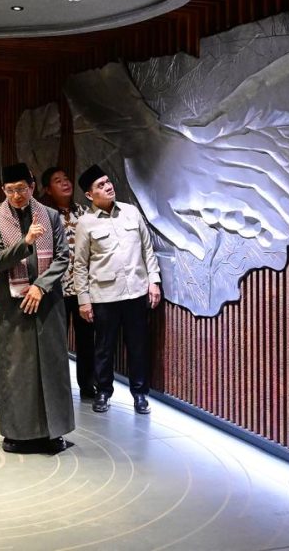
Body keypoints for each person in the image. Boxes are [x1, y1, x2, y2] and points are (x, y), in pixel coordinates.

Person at [0, 163, 74, 453]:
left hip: (48, 302)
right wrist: (25, 243)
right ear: (3, 191)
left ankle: (54, 432)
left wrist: (40, 286)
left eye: (21, 189)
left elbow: (62, 257)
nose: (16, 195)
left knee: (52, 366)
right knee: (16, 369)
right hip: (13, 305)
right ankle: (17, 434)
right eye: (10, 190)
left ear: (32, 186)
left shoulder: (49, 216)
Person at [73, 165, 162, 415]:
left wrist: (153, 281)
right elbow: (80, 264)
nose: (108, 187)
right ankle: (103, 391)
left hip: (135, 291)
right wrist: (84, 300)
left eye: (107, 182)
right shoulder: (85, 223)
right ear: (90, 195)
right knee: (104, 347)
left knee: (138, 345)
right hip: (104, 296)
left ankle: (140, 394)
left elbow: (147, 249)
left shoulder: (131, 213)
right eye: (100, 185)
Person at [39, 166, 95, 399]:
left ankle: (86, 385)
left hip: (82, 289)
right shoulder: (44, 215)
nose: (65, 183)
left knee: (86, 341)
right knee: (56, 341)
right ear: (47, 189)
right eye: (57, 180)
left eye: (66, 178)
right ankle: (57, 388)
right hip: (56, 289)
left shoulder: (84, 212)